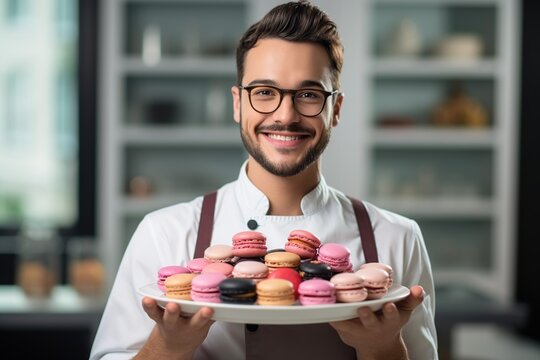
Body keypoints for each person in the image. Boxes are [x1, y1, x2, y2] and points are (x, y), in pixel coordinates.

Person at [90, 1, 438, 359]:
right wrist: (167, 345)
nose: (285, 116)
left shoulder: (397, 238)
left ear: (336, 109)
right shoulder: (165, 234)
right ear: (238, 104)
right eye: (265, 93)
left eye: (308, 95)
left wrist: (382, 348)